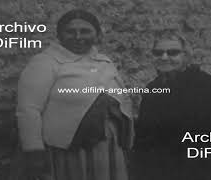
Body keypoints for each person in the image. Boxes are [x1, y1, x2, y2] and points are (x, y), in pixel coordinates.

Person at [16, 9, 133, 180]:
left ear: (97, 34)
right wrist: (34, 150)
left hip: (107, 145)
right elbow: (28, 109)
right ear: (59, 35)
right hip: (70, 149)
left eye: (85, 31)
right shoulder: (45, 63)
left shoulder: (104, 61)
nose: (78, 37)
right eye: (70, 31)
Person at [132, 30, 211, 180]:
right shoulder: (152, 88)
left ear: (186, 56)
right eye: (158, 53)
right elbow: (144, 135)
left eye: (173, 53)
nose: (164, 57)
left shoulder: (209, 87)